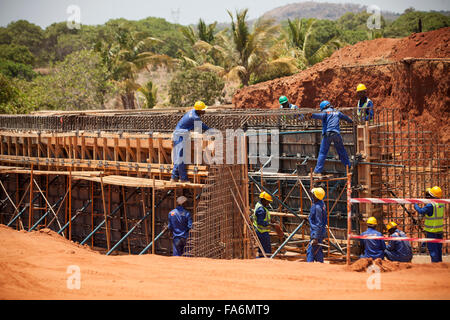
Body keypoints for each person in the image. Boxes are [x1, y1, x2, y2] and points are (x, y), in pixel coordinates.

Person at [171, 101, 210, 183]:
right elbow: (202, 126)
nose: (204, 111)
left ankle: (174, 177)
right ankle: (183, 179)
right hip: (180, 136)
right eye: (203, 110)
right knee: (181, 158)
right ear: (199, 110)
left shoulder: (192, 112)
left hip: (179, 134)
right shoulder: (195, 117)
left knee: (179, 157)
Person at [312, 100, 353, 175]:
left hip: (328, 134)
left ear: (323, 108)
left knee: (323, 153)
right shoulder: (337, 112)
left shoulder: (325, 112)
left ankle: (317, 171)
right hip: (337, 134)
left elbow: (318, 116)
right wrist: (352, 121)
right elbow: (346, 118)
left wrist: (311, 115)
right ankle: (348, 167)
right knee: (341, 151)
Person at [413, 186, 444, 263]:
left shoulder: (431, 205)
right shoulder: (442, 203)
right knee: (438, 250)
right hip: (439, 231)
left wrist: (415, 204)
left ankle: (435, 266)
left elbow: (421, 211)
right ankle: (440, 265)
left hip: (432, 231)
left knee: (433, 251)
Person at [307, 188, 327, 263]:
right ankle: (320, 267)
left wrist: (315, 237)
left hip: (316, 233)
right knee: (318, 252)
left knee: (311, 252)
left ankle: (309, 269)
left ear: (316, 196)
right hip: (319, 233)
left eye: (313, 195)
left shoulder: (317, 207)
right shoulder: (321, 204)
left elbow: (319, 223)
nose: (311, 196)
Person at [252, 191, 274, 257]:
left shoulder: (259, 205)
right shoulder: (261, 209)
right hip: (262, 232)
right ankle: (263, 263)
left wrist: (271, 220)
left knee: (262, 250)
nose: (268, 203)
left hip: (260, 231)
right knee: (266, 250)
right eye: (268, 201)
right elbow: (260, 222)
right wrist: (270, 224)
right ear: (263, 200)